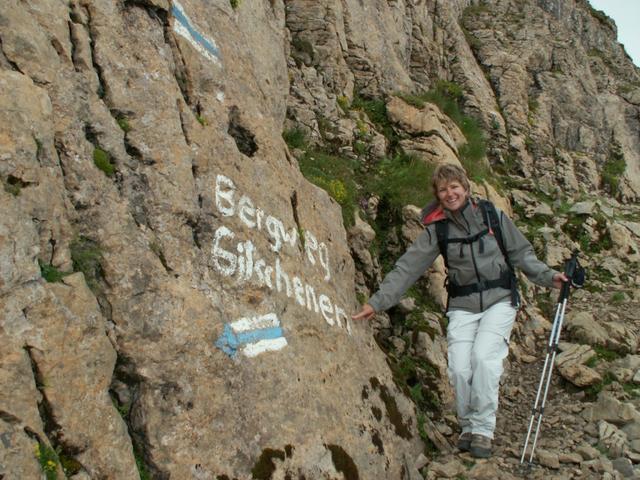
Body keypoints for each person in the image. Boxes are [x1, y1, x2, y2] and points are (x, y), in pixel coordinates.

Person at [352, 163, 567, 458]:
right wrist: (376, 302)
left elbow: (521, 253)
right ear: (438, 195)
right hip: (462, 305)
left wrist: (549, 276)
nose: (450, 193)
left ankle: (483, 429)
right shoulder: (438, 230)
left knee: (483, 359)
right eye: (443, 189)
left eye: (454, 187)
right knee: (459, 368)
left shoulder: (491, 215)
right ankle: (467, 425)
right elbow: (408, 268)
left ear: (465, 188)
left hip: (499, 299)